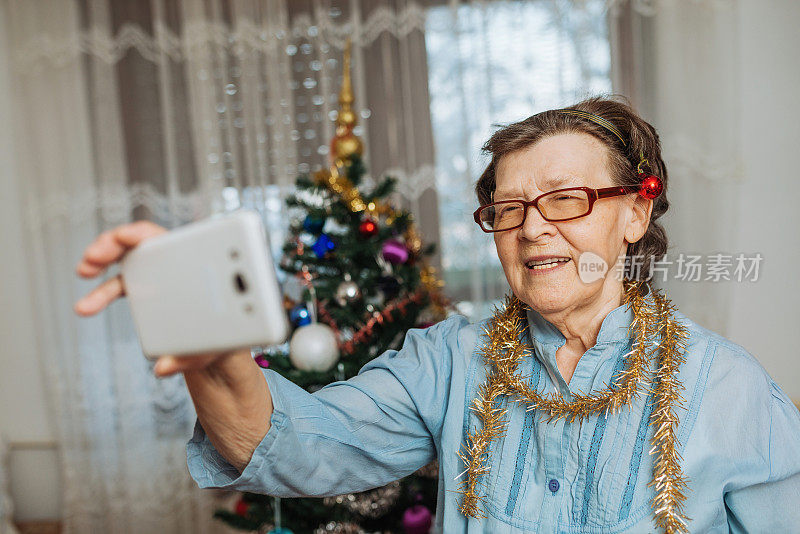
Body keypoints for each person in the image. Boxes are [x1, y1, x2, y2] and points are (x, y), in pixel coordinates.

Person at [74, 95, 800, 533]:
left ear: (635, 214)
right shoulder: (447, 359)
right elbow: (297, 445)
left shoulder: (733, 393)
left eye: (566, 199)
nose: (534, 229)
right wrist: (215, 350)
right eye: (508, 208)